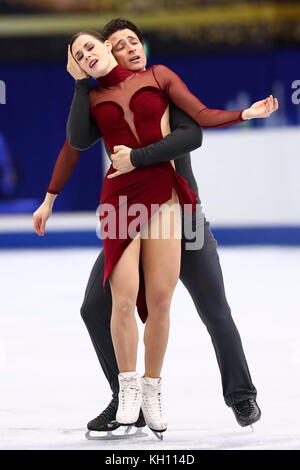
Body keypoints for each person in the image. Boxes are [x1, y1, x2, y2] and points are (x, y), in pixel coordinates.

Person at [33, 18, 278, 437]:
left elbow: (190, 134)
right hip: (129, 211)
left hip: (182, 216)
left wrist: (138, 157)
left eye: (134, 41)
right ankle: (125, 397)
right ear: (105, 54)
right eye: (119, 44)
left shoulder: (160, 85)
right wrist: (51, 196)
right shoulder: (98, 97)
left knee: (214, 308)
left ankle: (240, 395)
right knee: (96, 307)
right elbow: (72, 145)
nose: (131, 48)